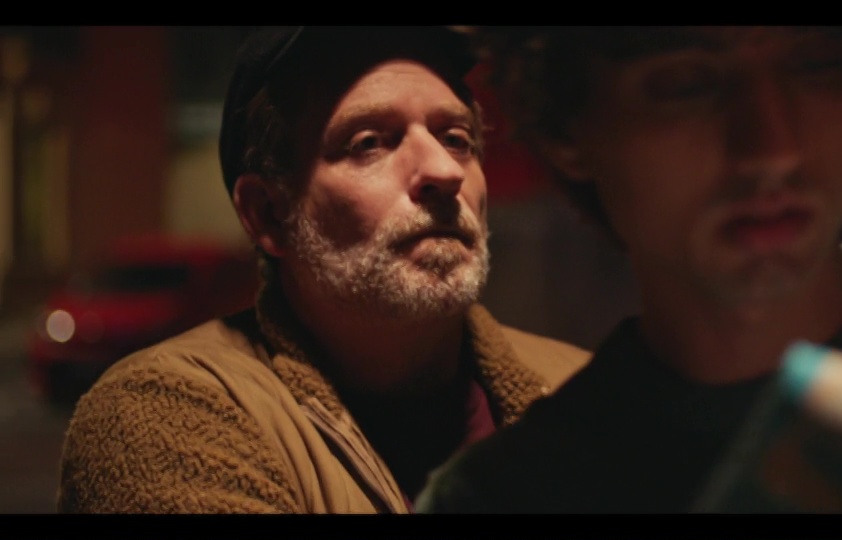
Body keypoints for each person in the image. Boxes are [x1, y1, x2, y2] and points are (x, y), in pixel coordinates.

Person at [415, 25, 842, 513]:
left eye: (817, 64)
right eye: (687, 85)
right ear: (564, 129)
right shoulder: (511, 496)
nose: (772, 148)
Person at [55, 25, 590, 514]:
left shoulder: (582, 388)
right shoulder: (166, 415)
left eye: (456, 138)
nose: (444, 170)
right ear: (269, 214)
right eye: (369, 143)